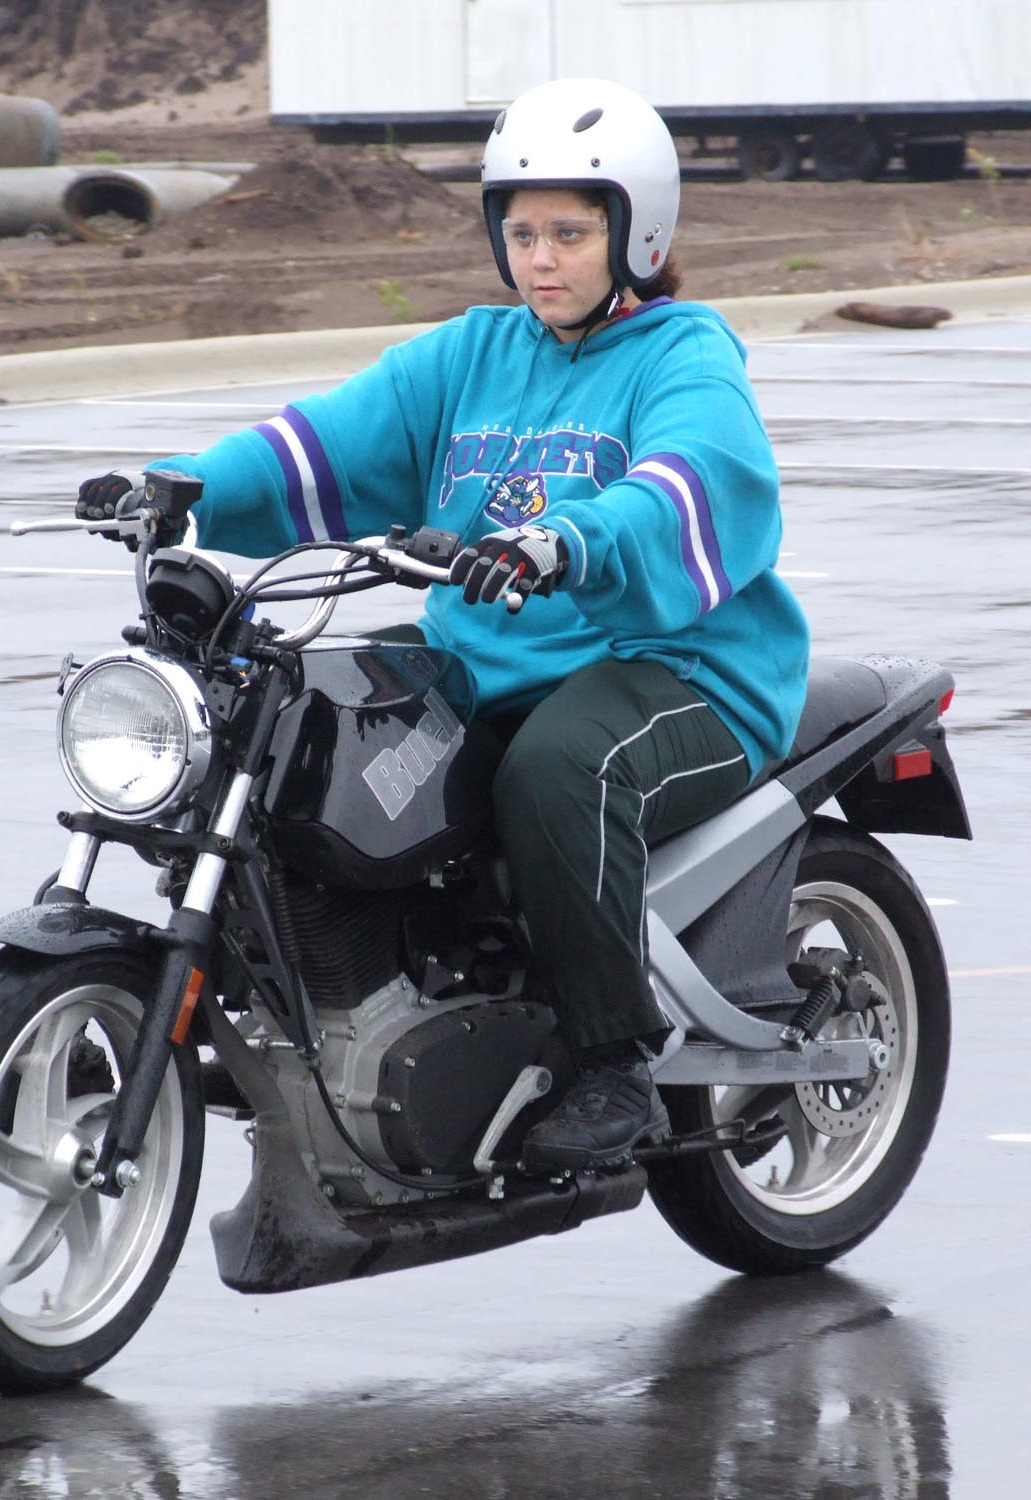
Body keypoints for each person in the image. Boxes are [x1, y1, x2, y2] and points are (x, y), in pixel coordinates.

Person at [76, 77, 810, 1173]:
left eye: (572, 232)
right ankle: (312, 1004)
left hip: (681, 665)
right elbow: (322, 441)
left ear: (640, 233)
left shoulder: (685, 354)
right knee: (296, 725)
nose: (543, 259)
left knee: (559, 771)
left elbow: (688, 479)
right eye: (522, 233)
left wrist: (568, 540)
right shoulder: (473, 355)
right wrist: (184, 488)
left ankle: (615, 1063)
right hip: (488, 655)